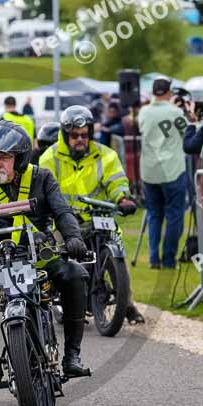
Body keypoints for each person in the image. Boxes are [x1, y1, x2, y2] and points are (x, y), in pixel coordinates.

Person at [0, 120, 90, 388]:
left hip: (42, 256)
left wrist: (73, 238)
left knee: (76, 275)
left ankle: (72, 356)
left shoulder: (42, 178)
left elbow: (63, 212)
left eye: (4, 158)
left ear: (20, 159)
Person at [38, 106, 144, 323]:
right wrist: (58, 213)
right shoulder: (50, 157)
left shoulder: (106, 155)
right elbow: (44, 191)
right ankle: (57, 300)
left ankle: (127, 304)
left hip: (98, 216)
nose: (80, 139)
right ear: (65, 135)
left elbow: (116, 181)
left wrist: (123, 198)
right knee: (55, 251)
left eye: (84, 135)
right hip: (65, 221)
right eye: (75, 136)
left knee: (116, 250)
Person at [138, 77, 188, 270]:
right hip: (173, 169)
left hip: (149, 170)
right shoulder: (175, 112)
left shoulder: (144, 111)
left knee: (154, 215)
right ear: (169, 92)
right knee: (174, 215)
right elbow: (187, 132)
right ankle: (168, 259)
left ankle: (153, 259)